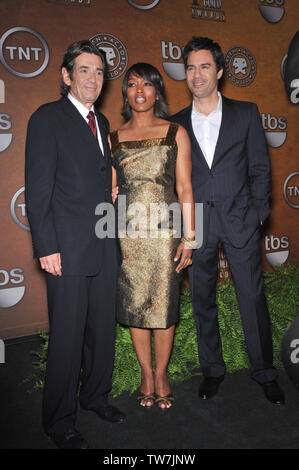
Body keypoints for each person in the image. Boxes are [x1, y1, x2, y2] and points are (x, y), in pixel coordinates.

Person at [171, 37, 285, 405]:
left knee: (251, 298)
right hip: (196, 225)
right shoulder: (174, 125)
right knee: (202, 300)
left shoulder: (246, 113)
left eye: (205, 66)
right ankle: (212, 371)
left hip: (240, 222)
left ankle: (265, 372)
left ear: (219, 71)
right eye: (190, 67)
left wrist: (255, 217)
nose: (197, 74)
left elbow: (260, 170)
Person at [25, 40, 125, 450]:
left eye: (99, 72)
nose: (93, 79)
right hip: (64, 248)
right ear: (66, 75)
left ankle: (95, 397)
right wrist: (46, 247)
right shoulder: (47, 118)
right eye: (84, 70)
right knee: (67, 336)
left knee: (102, 330)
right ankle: (59, 421)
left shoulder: (101, 123)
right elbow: (39, 189)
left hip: (103, 242)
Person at [110, 63, 195, 410]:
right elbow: (111, 187)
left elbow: (186, 188)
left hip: (165, 232)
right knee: (134, 304)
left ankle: (162, 374)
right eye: (132, 84)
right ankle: (146, 374)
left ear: (157, 91)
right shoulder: (113, 138)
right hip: (127, 233)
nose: (140, 91)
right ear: (126, 93)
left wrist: (190, 237)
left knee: (163, 304)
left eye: (147, 84)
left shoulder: (175, 132)